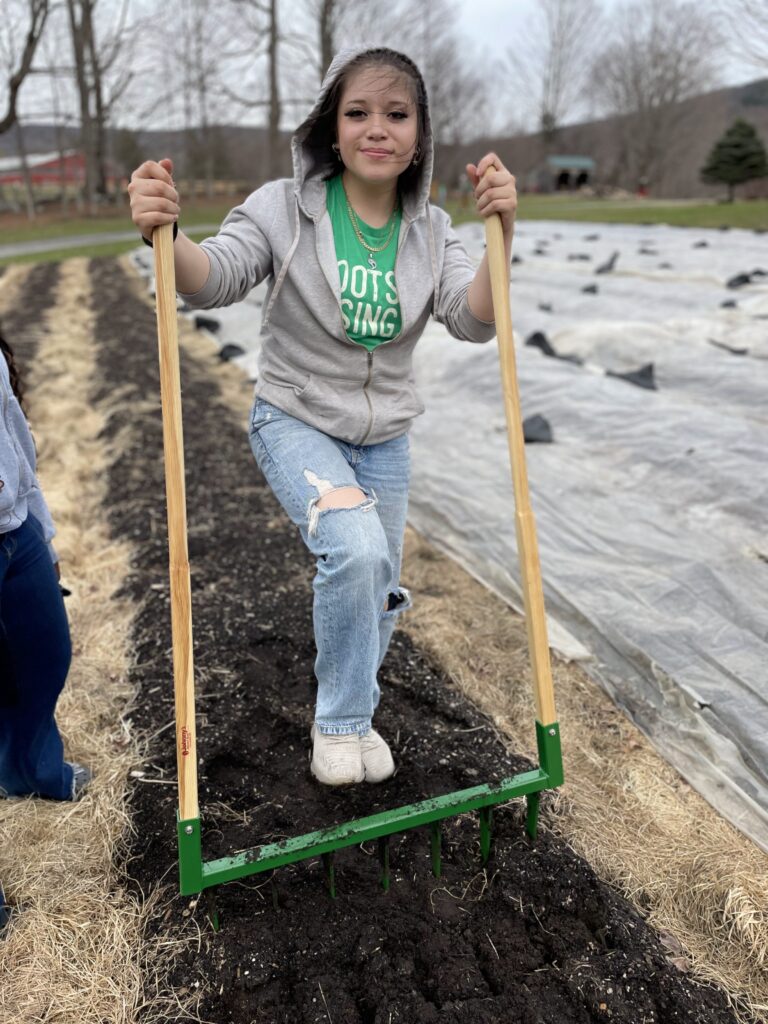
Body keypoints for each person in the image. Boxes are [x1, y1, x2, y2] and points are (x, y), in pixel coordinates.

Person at [128, 46, 516, 787]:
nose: (378, 129)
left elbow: (473, 322)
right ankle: (338, 722)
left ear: (420, 135)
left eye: (397, 115)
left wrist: (502, 239)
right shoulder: (283, 208)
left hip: (385, 436)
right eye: (359, 113)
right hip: (296, 418)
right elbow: (215, 279)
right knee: (357, 552)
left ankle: (355, 711)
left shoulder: (433, 232)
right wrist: (166, 235)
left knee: (380, 586)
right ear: (330, 130)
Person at [0, 326, 90, 802]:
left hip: (16, 532)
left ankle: (35, 773)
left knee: (45, 655)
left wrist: (45, 537)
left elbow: (15, 439)